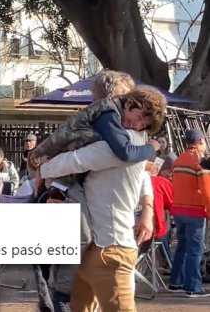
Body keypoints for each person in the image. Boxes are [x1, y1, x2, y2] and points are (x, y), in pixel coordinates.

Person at [31, 84, 166, 311]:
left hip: (110, 249)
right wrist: (148, 208)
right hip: (103, 247)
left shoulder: (117, 147)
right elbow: (143, 175)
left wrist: (40, 169)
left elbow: (74, 160)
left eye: (143, 121)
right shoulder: (136, 142)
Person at [39, 127, 156, 312]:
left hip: (111, 245)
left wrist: (40, 165)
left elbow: (143, 176)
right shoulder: (124, 143)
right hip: (100, 247)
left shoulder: (125, 143)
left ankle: (55, 293)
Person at [168, 128, 210, 297]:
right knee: (195, 249)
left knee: (182, 247)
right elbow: (206, 190)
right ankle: (193, 287)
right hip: (195, 211)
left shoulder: (178, 161)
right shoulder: (199, 161)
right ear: (200, 142)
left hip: (178, 210)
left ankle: (175, 282)